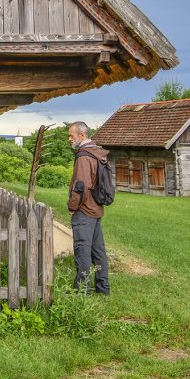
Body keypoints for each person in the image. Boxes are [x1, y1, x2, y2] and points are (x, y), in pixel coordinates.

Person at [67, 121, 110, 294]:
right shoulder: (97, 152)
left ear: (82, 135)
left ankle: (82, 290)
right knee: (98, 251)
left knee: (82, 251)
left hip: (84, 210)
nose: (69, 139)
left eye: (71, 135)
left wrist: (72, 206)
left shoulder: (84, 156)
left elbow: (81, 186)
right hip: (96, 208)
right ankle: (103, 288)